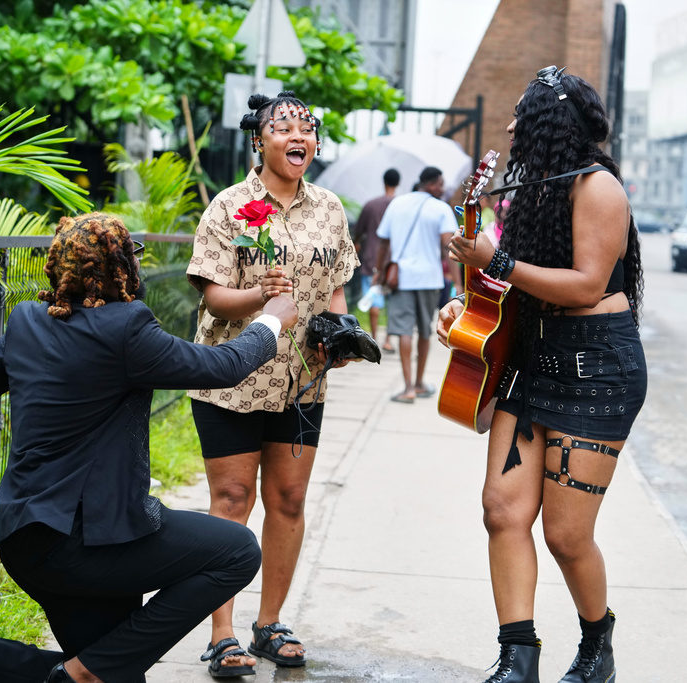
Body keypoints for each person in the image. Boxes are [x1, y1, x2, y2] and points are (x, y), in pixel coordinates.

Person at [0, 213, 298, 683]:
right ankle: (84, 673)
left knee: (113, 670)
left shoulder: (28, 321)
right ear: (123, 269)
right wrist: (272, 321)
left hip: (26, 542)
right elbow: (223, 366)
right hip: (91, 544)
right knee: (237, 551)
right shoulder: (126, 328)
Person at [438, 66, 647, 683]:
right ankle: (518, 656)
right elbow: (509, 284)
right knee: (501, 510)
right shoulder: (530, 191)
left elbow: (586, 285)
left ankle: (596, 643)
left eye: (519, 116)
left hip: (596, 370)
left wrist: (497, 258)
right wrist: (468, 305)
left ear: (549, 125)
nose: (507, 126)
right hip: (534, 361)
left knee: (565, 533)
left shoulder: (598, 189)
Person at [185, 91, 358, 676]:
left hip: (303, 382)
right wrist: (261, 296)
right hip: (232, 377)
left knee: (288, 500)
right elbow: (212, 294)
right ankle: (221, 633)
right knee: (233, 501)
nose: (297, 136)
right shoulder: (229, 206)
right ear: (259, 140)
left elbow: (336, 288)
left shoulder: (330, 208)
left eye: (306, 127)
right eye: (283, 127)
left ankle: (269, 624)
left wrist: (340, 331)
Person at [374, 166, 462, 404]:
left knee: (403, 331)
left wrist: (378, 271)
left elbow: (383, 242)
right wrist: (459, 284)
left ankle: (409, 387)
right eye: (441, 184)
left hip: (401, 278)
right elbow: (448, 249)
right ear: (432, 184)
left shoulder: (398, 204)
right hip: (429, 279)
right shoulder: (441, 208)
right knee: (425, 331)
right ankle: (421, 382)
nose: (443, 189)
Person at [352, 167, 400, 352]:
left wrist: (356, 243)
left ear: (384, 182)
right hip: (394, 260)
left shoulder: (371, 205)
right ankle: (388, 339)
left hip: (372, 258)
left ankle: (372, 339)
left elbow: (358, 231)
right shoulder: (400, 205)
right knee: (391, 302)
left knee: (372, 298)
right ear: (397, 183)